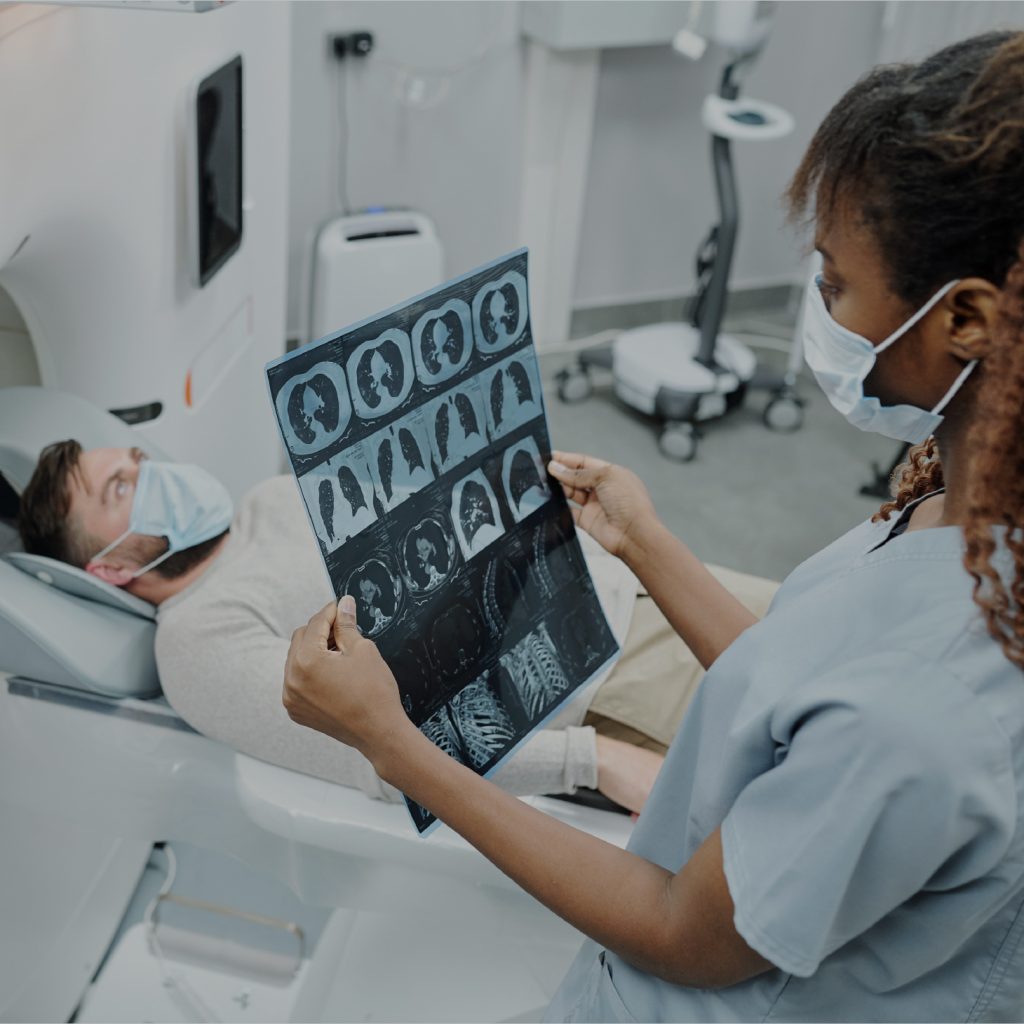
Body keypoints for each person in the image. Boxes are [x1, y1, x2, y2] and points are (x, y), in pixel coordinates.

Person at [280, 32, 1024, 1021]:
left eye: (834, 283)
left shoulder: (926, 702)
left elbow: (682, 929)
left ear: (965, 319)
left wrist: (389, 740)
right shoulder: (971, 512)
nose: (822, 308)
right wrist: (644, 542)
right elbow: (806, 691)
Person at [15, 439, 777, 813]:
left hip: (621, 575)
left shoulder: (268, 498)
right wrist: (593, 759)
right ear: (109, 568)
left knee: (825, 627)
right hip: (598, 678)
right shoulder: (196, 641)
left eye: (138, 461)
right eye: (121, 488)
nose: (151, 475)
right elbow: (379, 753)